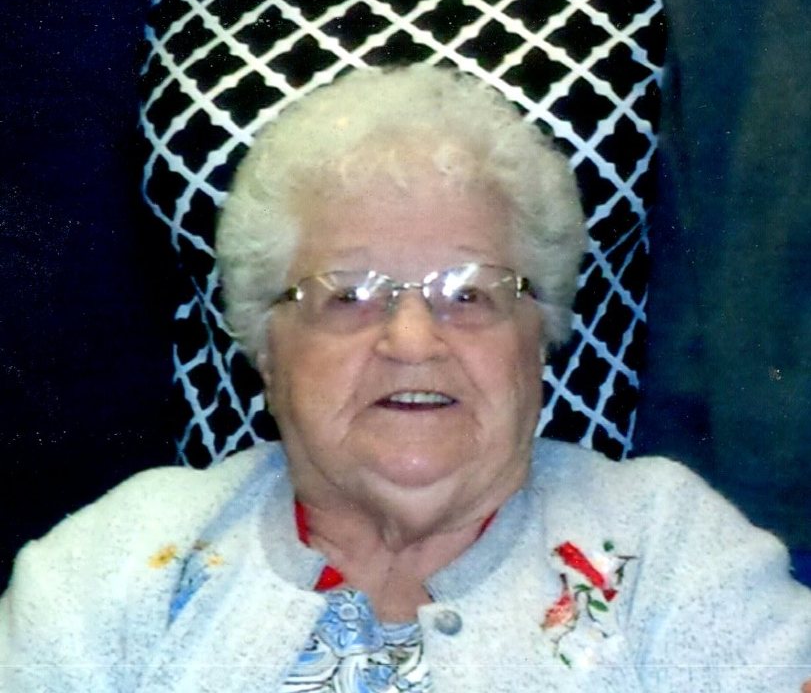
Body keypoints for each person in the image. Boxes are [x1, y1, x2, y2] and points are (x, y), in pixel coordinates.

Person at [0, 65, 809, 692]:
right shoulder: (110, 570)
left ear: (539, 337)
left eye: (470, 294)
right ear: (265, 348)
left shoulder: (672, 556)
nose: (413, 340)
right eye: (348, 296)